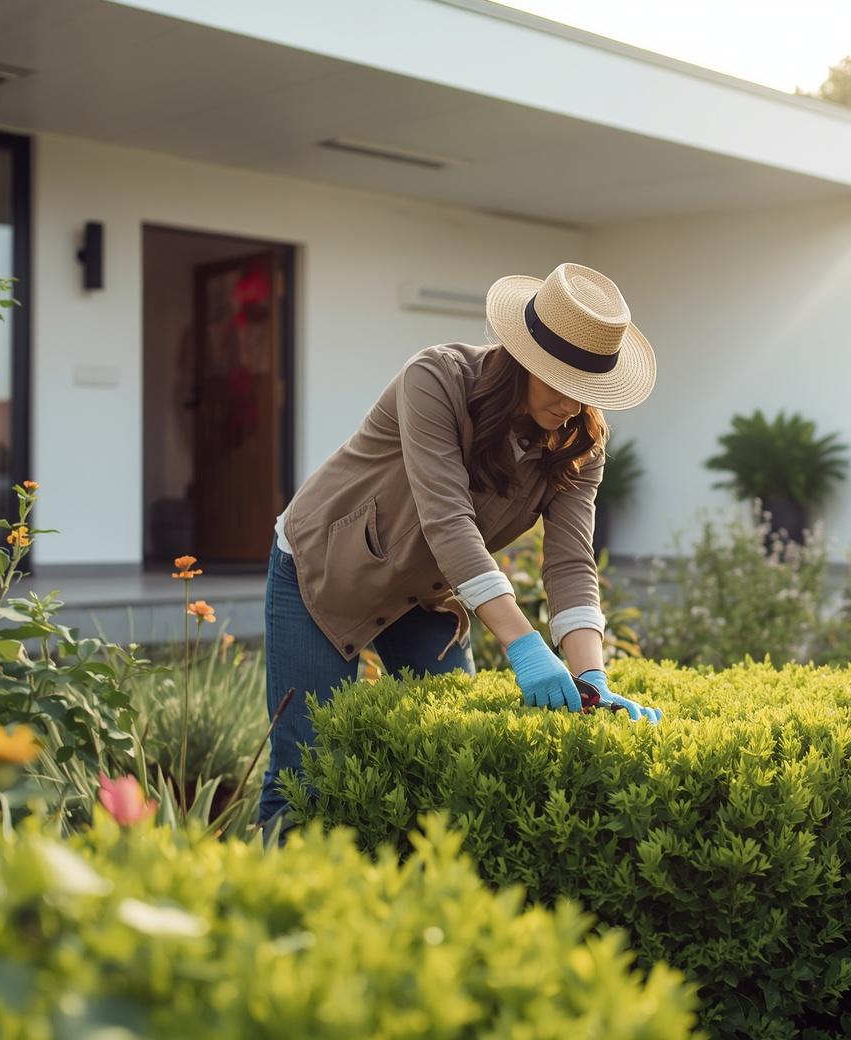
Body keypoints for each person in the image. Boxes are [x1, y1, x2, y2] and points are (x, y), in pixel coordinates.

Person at [259, 262, 662, 826]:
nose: (573, 405)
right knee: (305, 776)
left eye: (587, 390)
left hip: (424, 590)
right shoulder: (436, 379)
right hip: (326, 571)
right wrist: (524, 647)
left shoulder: (579, 442)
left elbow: (571, 561)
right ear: (525, 358)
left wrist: (591, 675)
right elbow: (446, 519)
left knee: (451, 759)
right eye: (562, 382)